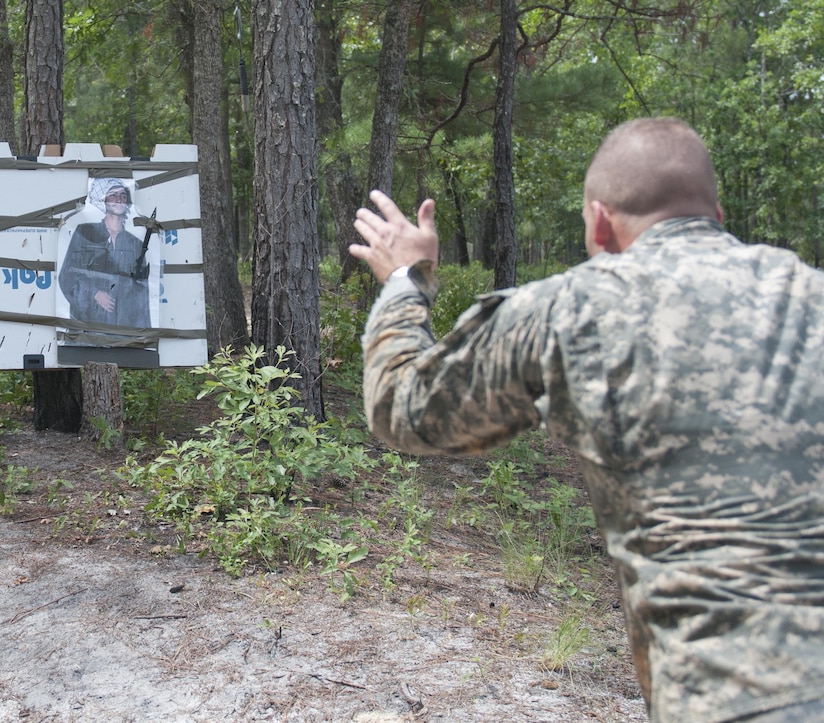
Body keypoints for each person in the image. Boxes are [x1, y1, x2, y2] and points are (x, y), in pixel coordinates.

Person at [351, 117, 824, 723]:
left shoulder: (571, 310)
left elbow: (402, 408)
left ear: (600, 222)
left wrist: (404, 279)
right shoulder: (808, 293)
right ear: (717, 213)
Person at [58, 178, 150, 329]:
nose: (119, 199)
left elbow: (142, 295)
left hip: (124, 335)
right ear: (104, 200)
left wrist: (143, 336)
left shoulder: (136, 245)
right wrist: (93, 292)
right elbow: (67, 277)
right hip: (87, 331)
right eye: (113, 194)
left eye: (123, 196)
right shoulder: (85, 232)